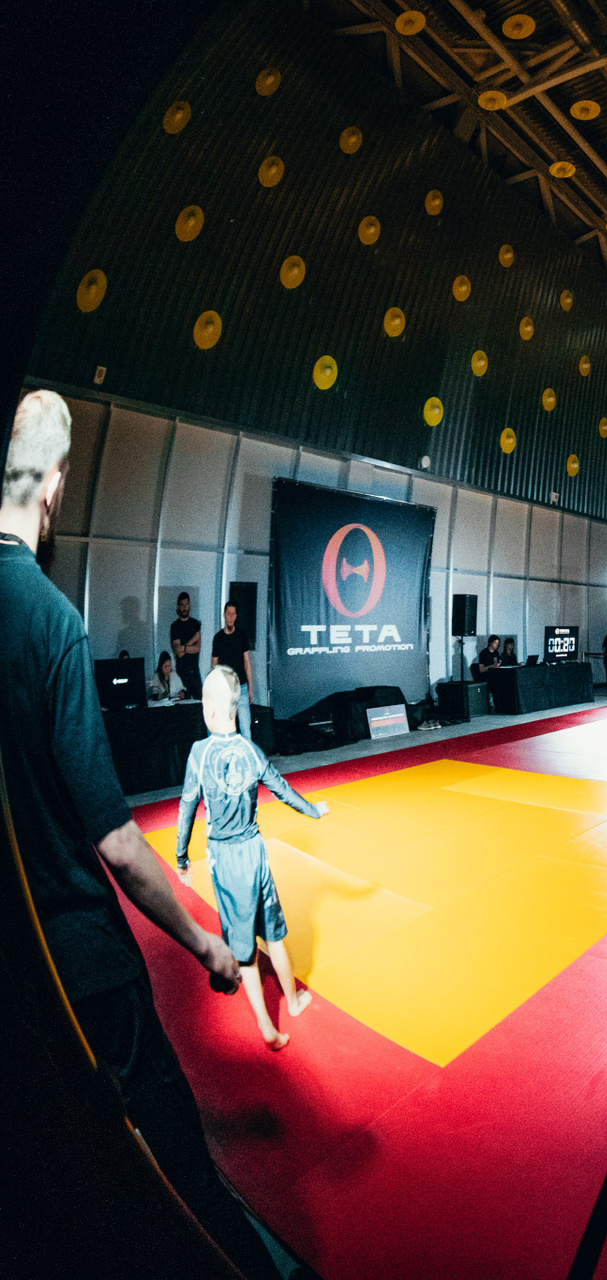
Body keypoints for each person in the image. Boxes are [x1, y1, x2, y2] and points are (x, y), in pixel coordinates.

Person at [0, 390, 282, 1279]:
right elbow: (118, 843)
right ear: (54, 483)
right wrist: (207, 944)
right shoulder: (46, 619)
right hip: (83, 962)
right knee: (177, 1167)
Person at [173, 666, 328, 1050]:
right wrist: (313, 810)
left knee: (244, 952)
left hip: (226, 860)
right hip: (255, 852)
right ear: (235, 706)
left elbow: (187, 808)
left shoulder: (199, 753)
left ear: (210, 708)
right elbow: (283, 789)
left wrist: (181, 858)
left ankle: (269, 1030)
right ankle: (293, 1002)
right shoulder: (251, 751)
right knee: (273, 934)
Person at [209, 600, 255, 739]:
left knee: (245, 726)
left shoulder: (241, 635)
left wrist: (250, 688)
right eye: (228, 614)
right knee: (225, 725)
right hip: (225, 688)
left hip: (241, 687)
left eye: (233, 614)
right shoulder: (218, 638)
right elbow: (214, 666)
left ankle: (247, 752)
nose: (230, 617)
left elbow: (247, 663)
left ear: (236, 616)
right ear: (224, 615)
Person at [169, 590, 203, 699]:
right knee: (184, 704)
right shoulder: (175, 626)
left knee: (200, 702)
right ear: (178, 607)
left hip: (195, 672)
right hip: (181, 674)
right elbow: (179, 653)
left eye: (186, 604)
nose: (184, 608)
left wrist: (183, 648)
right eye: (182, 605)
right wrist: (193, 639)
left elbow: (197, 649)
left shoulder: (195, 624)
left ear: (189, 605)